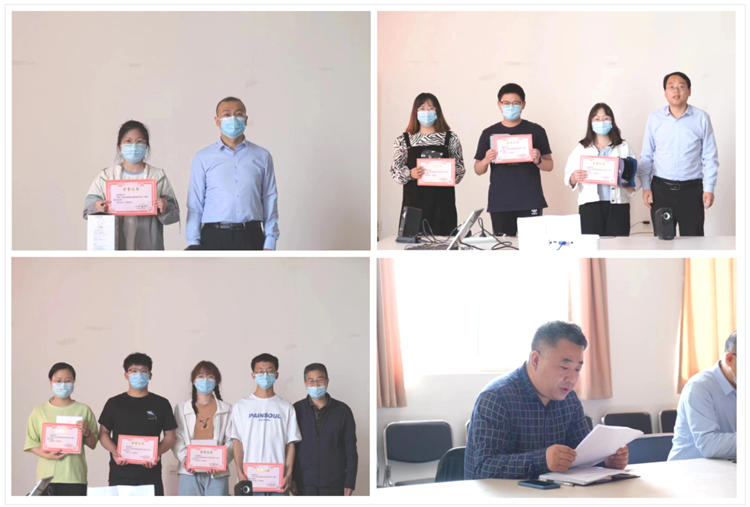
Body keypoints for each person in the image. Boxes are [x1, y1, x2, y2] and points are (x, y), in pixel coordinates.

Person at [464, 321, 628, 480]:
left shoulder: (569, 399)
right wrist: (542, 460)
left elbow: (581, 454)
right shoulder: (496, 397)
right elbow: (483, 468)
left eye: (577, 369)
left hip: (555, 494)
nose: (572, 379)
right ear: (536, 360)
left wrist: (605, 460)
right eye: (564, 368)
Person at [186, 96, 279, 250]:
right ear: (217, 121)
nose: (233, 119)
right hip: (214, 236)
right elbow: (195, 203)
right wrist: (193, 243)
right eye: (227, 114)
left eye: (239, 114)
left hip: (252, 235)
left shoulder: (262, 156)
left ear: (246, 120)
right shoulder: (203, 157)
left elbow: (269, 198)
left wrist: (270, 241)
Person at [639, 72, 719, 236]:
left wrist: (709, 188)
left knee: (694, 242)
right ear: (665, 92)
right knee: (662, 242)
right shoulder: (654, 119)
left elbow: (710, 156)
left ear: (689, 91)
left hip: (692, 191)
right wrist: (646, 187)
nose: (676, 91)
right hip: (661, 191)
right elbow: (647, 156)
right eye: (671, 87)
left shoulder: (701, 118)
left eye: (681, 86)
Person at [83, 120, 180, 250]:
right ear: (120, 146)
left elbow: (174, 215)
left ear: (146, 146)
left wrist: (165, 208)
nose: (134, 146)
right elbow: (87, 211)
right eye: (128, 141)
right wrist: (97, 207)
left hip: (149, 249)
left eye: (139, 141)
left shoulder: (158, 176)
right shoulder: (105, 176)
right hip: (113, 248)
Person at [474, 83, 554, 237]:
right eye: (506, 103)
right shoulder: (489, 133)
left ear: (523, 105)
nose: (511, 107)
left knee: (533, 244)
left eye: (516, 103)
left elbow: (549, 165)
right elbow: (478, 169)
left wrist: (538, 160)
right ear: (499, 105)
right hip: (500, 202)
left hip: (530, 199)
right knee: (504, 247)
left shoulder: (536, 130)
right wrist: (485, 160)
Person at [98, 353, 177, 496]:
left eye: (143, 371)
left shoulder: (161, 403)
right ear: (126, 375)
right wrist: (114, 451)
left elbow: (170, 435)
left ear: (150, 376)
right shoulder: (114, 403)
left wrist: (156, 453)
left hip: (150, 473)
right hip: (120, 472)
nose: (138, 375)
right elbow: (103, 433)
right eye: (133, 371)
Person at [390, 92, 466, 236]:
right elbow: (395, 173)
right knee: (412, 245)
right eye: (422, 108)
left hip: (443, 205)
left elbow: (460, 172)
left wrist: (448, 170)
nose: (426, 112)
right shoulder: (403, 140)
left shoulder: (451, 138)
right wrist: (410, 173)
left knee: (444, 243)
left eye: (431, 108)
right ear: (415, 112)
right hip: (414, 205)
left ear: (438, 111)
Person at [230, 353, 301, 496]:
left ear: (277, 375)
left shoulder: (286, 407)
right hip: (249, 480)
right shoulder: (241, 406)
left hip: (279, 481)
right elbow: (238, 442)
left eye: (269, 371)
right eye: (260, 371)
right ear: (253, 375)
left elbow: (290, 444)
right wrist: (240, 473)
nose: (265, 375)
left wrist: (288, 475)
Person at [564, 103, 639, 236]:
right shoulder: (582, 148)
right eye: (597, 119)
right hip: (590, 205)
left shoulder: (624, 147)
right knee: (591, 244)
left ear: (612, 121)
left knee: (619, 243)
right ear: (591, 123)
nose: (601, 122)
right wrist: (574, 177)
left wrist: (626, 183)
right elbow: (568, 176)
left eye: (605, 118)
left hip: (618, 205)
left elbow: (636, 176)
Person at [24, 363, 99, 496]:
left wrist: (87, 432)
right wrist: (47, 455)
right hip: (46, 478)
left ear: (74, 382)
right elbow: (32, 443)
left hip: (75, 477)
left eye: (67, 381)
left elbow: (93, 444)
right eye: (58, 381)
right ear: (50, 382)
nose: (63, 385)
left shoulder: (83, 410)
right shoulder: (39, 411)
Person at [291, 363, 358, 496]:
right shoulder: (296, 410)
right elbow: (291, 447)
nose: (316, 384)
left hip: (335, 482)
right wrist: (292, 478)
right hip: (304, 482)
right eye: (311, 380)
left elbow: (350, 448)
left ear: (327, 381)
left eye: (320, 380)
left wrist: (350, 481)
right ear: (305, 383)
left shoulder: (343, 410)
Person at [669, 331, 736, 461]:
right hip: (688, 469)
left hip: (727, 466)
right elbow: (709, 445)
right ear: (729, 359)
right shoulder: (699, 387)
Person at [173, 361, 235, 496]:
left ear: (216, 382)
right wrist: (184, 458)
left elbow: (231, 440)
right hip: (189, 472)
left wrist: (220, 461)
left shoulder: (227, 409)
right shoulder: (181, 408)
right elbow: (177, 437)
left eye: (210, 377)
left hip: (217, 474)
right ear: (193, 381)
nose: (205, 380)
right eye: (200, 376)